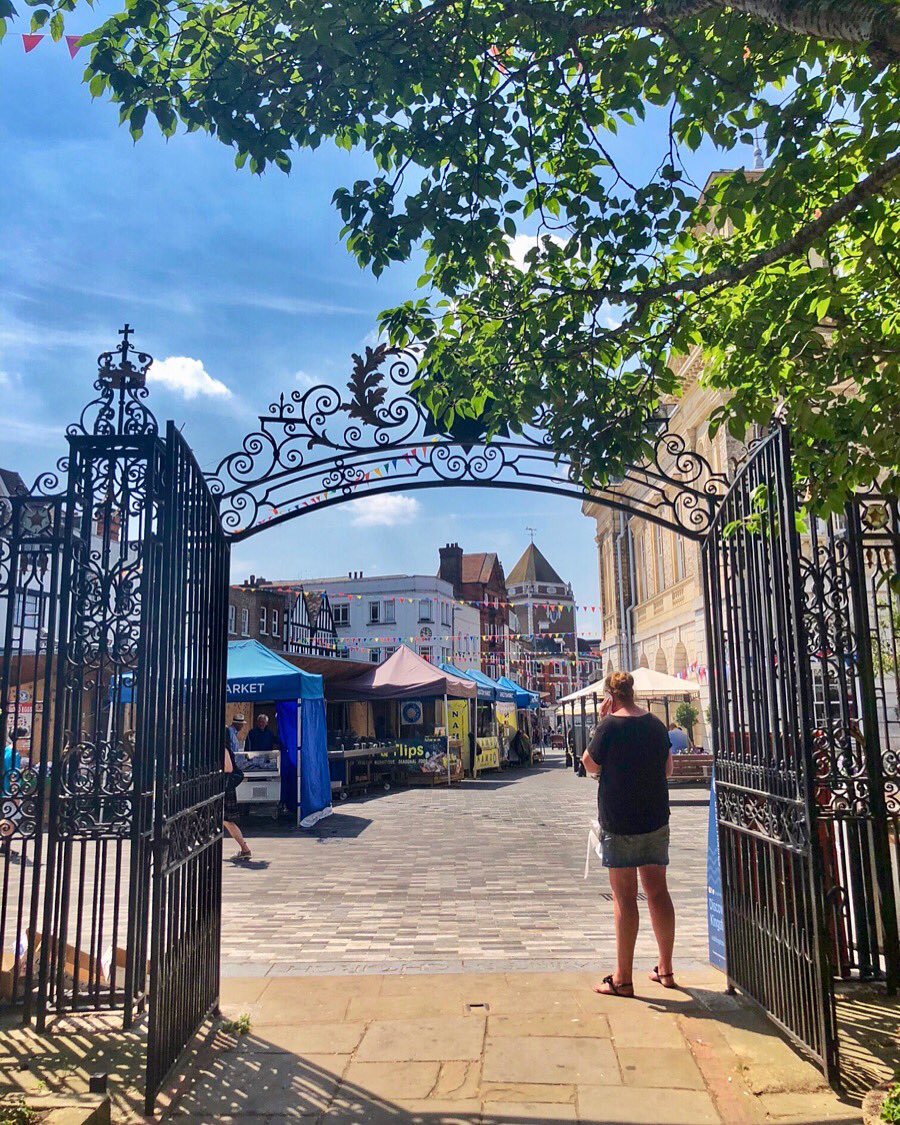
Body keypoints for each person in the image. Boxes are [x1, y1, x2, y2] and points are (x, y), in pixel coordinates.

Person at [582, 671, 675, 998]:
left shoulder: (608, 726)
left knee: (624, 897)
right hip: (654, 818)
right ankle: (665, 968)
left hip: (619, 820)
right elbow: (668, 770)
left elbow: (589, 765)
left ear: (610, 695)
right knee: (658, 892)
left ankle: (622, 978)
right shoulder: (655, 725)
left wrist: (601, 720)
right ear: (632, 693)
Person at [223, 728, 252, 861]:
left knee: (228, 821)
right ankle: (244, 849)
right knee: (225, 821)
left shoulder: (223, 749)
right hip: (223, 788)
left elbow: (228, 768)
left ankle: (245, 848)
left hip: (225, 788)